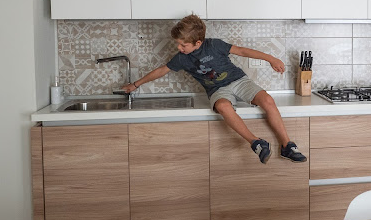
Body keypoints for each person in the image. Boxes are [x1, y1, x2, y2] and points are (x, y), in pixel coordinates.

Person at [122, 14, 306, 164]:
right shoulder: (181, 58)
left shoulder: (215, 45)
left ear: (198, 43)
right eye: (178, 44)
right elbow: (162, 70)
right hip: (217, 90)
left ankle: (286, 145)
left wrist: (271, 59)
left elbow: (242, 51)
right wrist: (136, 84)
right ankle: (256, 142)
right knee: (223, 107)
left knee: (267, 100)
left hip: (239, 81)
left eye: (183, 44)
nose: (179, 48)